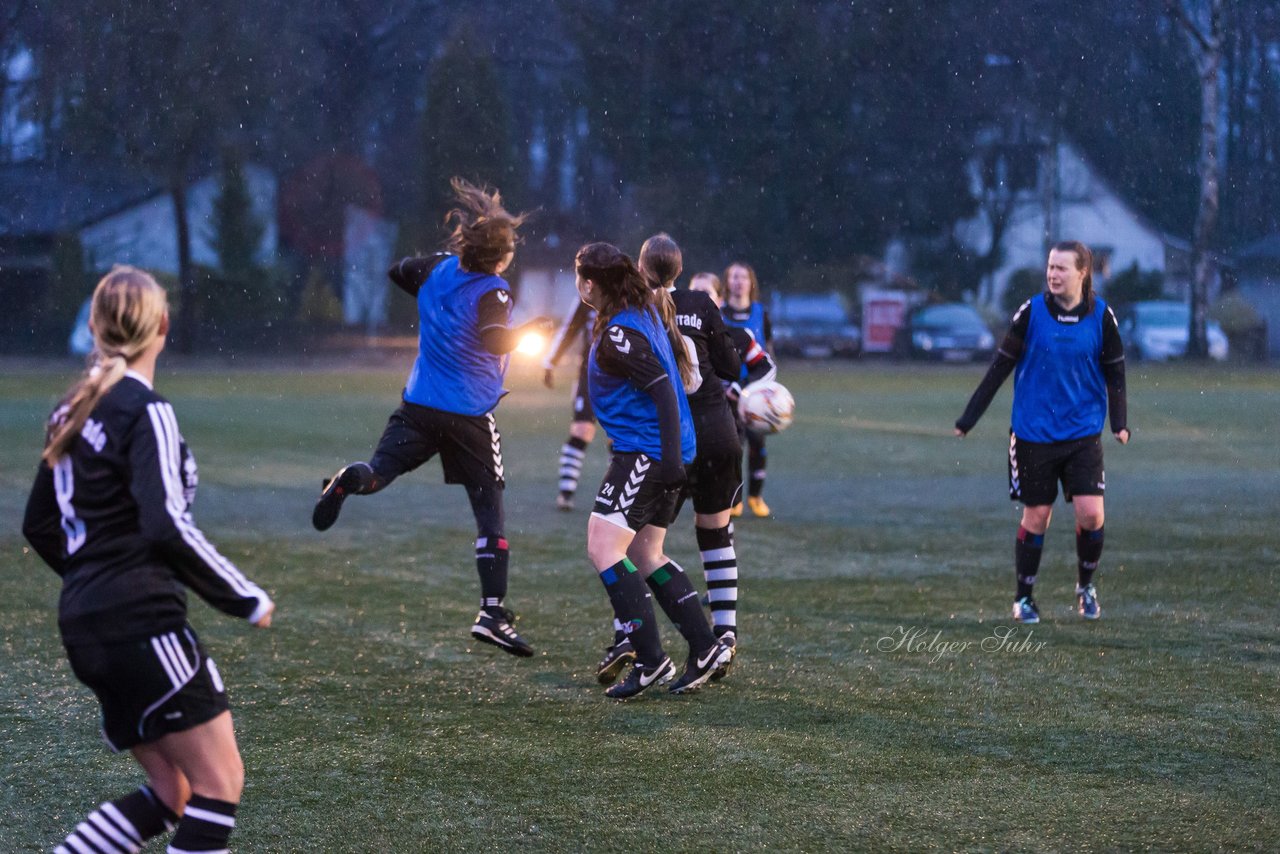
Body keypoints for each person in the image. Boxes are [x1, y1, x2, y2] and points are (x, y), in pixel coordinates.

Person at [22, 266, 275, 854]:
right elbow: (166, 525)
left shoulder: (72, 410)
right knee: (219, 783)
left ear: (94, 328)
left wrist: (94, 582)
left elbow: (39, 522)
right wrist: (246, 597)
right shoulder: (146, 410)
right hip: (139, 623)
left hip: (85, 625)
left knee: (173, 791)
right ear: (162, 325)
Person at [311, 177, 553, 657]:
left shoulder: (436, 271)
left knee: (378, 474)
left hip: (418, 405)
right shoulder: (495, 290)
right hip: (468, 415)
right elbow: (493, 339)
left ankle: (346, 480)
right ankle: (491, 612)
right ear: (500, 257)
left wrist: (437, 283)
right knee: (490, 515)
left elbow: (398, 271)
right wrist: (532, 329)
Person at [575, 242, 734, 698]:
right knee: (646, 555)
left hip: (646, 454)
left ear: (591, 284)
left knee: (603, 547)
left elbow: (664, 391)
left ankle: (649, 660)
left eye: (580, 278)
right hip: (665, 451)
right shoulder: (641, 310)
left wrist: (666, 463)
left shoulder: (620, 334)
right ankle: (704, 647)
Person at [955, 240, 1129, 623]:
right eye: (1050, 267)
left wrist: (1119, 423)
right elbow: (1000, 368)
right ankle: (1024, 598)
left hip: (1082, 433)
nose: (1053, 274)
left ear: (1083, 273)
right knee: (1037, 516)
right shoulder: (1031, 313)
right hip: (1033, 434)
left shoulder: (1101, 317)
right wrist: (969, 418)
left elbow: (1115, 374)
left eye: (1062, 268)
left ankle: (1085, 587)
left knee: (1091, 516)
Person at [721, 262, 775, 517]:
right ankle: (736, 499)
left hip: (755, 391)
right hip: (727, 391)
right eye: (734, 277)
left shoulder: (760, 313)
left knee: (757, 443)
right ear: (727, 282)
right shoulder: (718, 313)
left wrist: (769, 384)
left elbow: (768, 350)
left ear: (751, 282)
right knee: (734, 447)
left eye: (743, 277)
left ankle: (756, 496)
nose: (738, 281)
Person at [542, 300, 597, 511]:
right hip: (590, 374)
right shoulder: (587, 297)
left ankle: (618, 497)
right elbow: (569, 329)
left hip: (622, 377)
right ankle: (566, 493)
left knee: (619, 437)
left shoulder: (630, 292)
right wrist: (550, 362)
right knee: (582, 430)